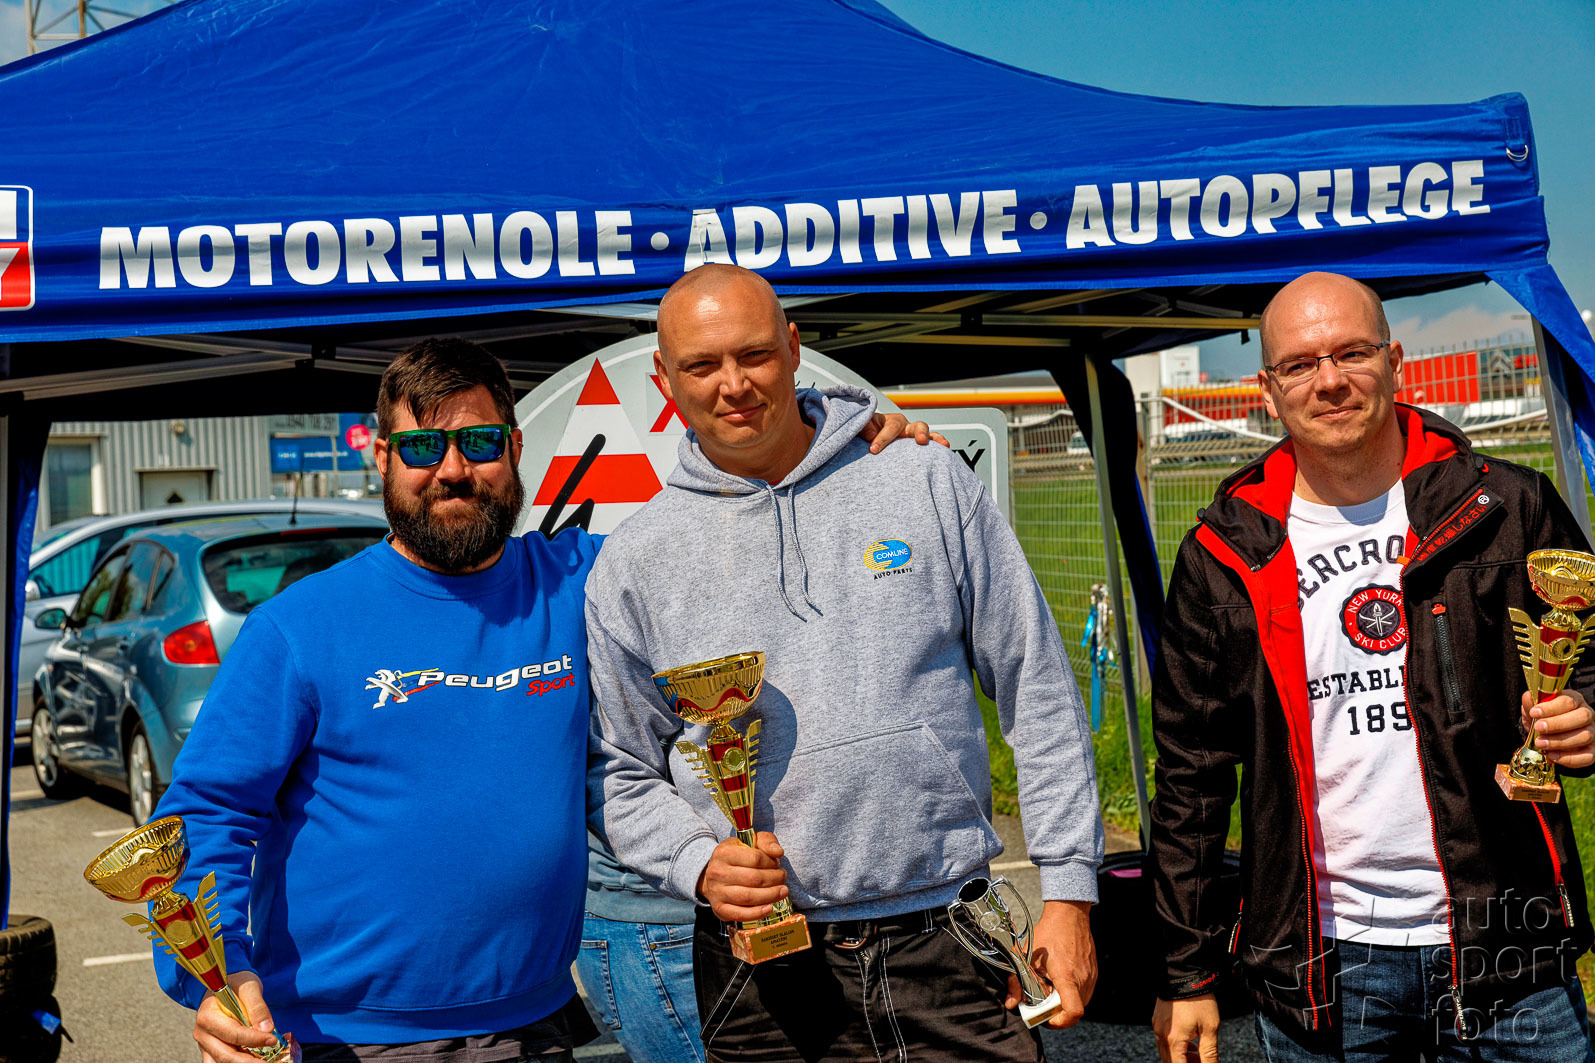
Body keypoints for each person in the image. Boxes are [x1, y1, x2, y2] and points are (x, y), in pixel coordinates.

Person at [150, 336, 934, 1063]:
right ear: (382, 458)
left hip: (535, 1027)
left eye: (479, 442)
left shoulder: (581, 581)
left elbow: (725, 536)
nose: (453, 469)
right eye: (422, 447)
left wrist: (846, 446)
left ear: (516, 449)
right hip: (347, 1038)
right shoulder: (299, 627)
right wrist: (213, 974)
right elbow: (205, 813)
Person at [585, 263, 1104, 1062]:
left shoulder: (923, 478)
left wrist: (1068, 890)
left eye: (754, 354)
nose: (732, 384)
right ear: (664, 378)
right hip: (763, 968)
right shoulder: (635, 559)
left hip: (949, 936)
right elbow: (616, 767)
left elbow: (1034, 686)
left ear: (794, 347)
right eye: (701, 364)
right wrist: (697, 862)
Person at [1149, 272, 1595, 1063]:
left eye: (1351, 353)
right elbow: (1191, 774)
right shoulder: (1222, 552)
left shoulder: (1507, 505)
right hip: (1325, 963)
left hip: (1508, 944)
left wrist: (1588, 712)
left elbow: (1588, 653)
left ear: (1393, 361)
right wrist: (1186, 971)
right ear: (1267, 389)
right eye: (1300, 363)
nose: (1328, 381)